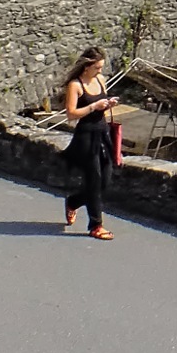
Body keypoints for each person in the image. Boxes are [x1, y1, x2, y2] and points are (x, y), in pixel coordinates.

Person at [60, 47, 120, 240]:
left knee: (105, 180)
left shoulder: (100, 81)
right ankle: (96, 225)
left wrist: (107, 104)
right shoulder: (75, 85)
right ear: (86, 67)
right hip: (86, 135)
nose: (100, 71)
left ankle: (74, 202)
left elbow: (100, 107)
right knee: (93, 180)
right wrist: (93, 106)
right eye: (97, 67)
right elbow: (71, 114)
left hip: (102, 133)